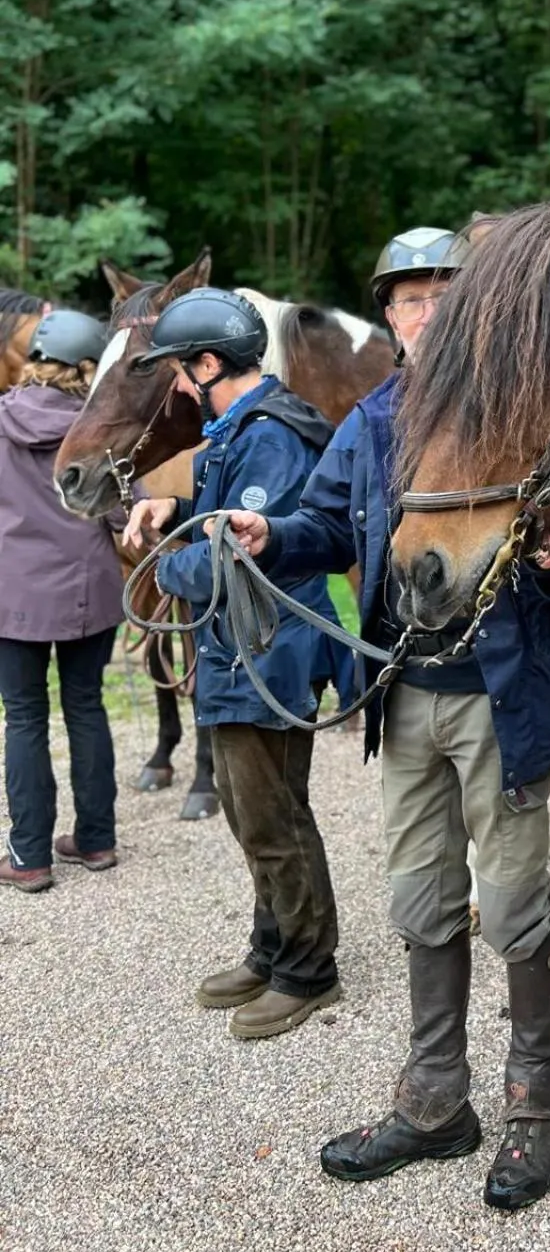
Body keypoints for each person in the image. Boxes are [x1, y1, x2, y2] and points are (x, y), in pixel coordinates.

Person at [221, 226, 550, 1210]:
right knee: (421, 899)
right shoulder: (374, 418)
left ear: (476, 311)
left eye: (443, 296)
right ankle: (436, 1103)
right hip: (407, 696)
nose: (425, 314)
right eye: (409, 299)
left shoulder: (523, 407)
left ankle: (537, 1105)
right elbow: (324, 522)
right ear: (388, 316)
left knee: (512, 904)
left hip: (503, 701)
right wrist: (270, 534)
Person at [122, 288, 345, 1039]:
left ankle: (308, 970)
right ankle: (272, 948)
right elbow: (227, 521)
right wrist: (176, 513)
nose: (180, 385)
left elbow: (239, 555)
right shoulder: (239, 430)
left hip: (267, 653)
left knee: (273, 815)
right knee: (252, 813)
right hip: (241, 651)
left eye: (181, 370)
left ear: (210, 364)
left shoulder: (269, 435)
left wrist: (167, 562)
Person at [0, 310, 125, 892]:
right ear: (87, 366)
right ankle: (96, 840)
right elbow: (124, 513)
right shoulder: (100, 429)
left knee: (24, 717)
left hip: (13, 597)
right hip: (87, 592)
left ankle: (29, 857)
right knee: (86, 706)